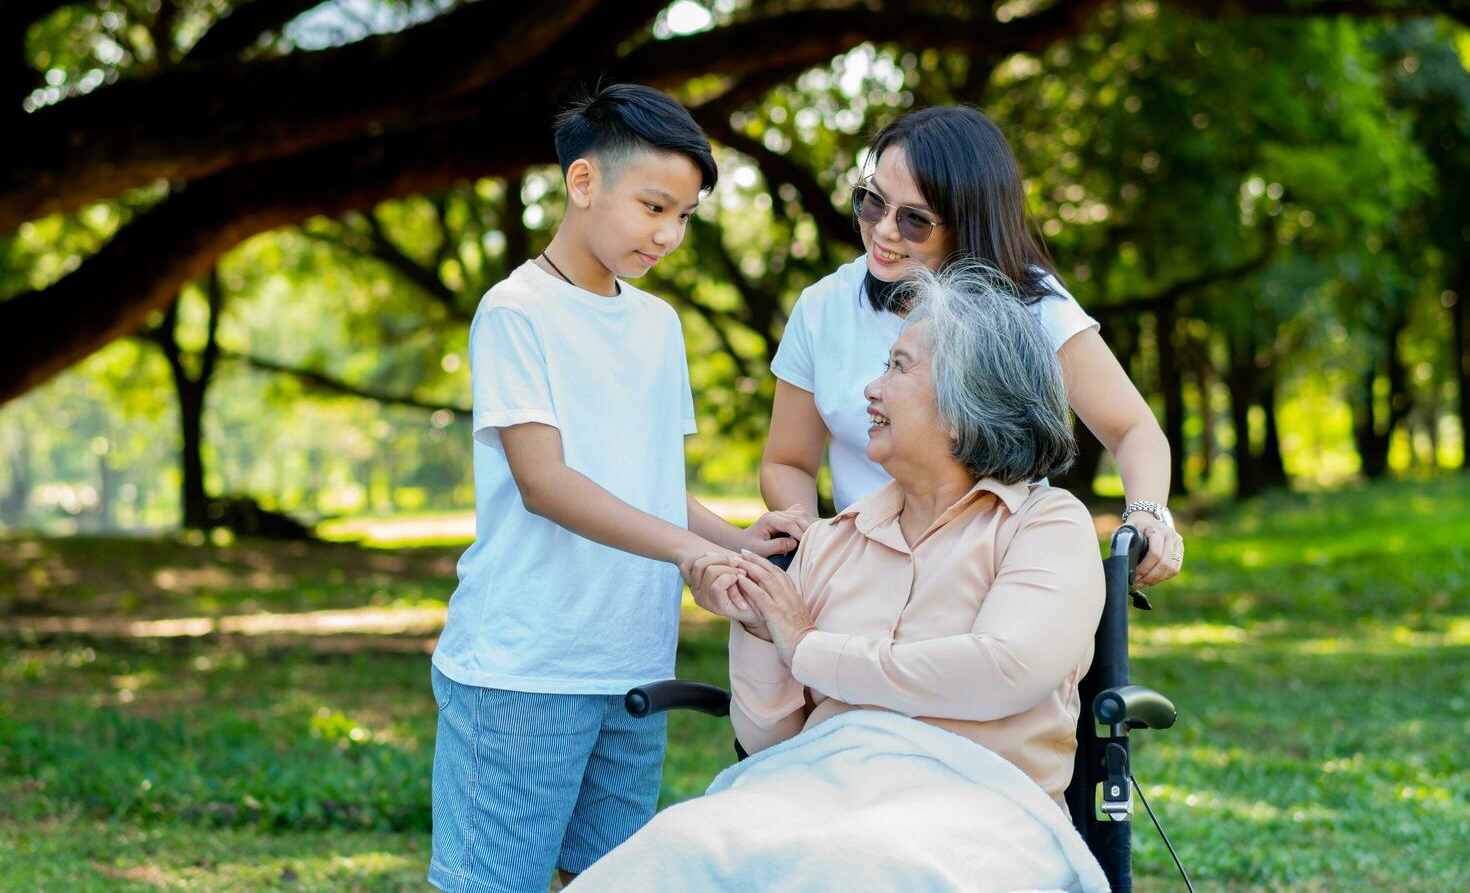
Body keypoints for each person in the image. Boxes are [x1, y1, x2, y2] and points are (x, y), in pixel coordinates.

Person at [568, 266, 1109, 890]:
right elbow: (769, 740)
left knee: (857, 867)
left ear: (968, 404)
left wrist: (808, 646)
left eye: (899, 367)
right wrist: (760, 628)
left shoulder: (1043, 525)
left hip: (978, 802)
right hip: (809, 785)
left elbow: (1004, 668)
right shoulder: (830, 540)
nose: (870, 389)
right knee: (673, 847)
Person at [428, 82, 803, 893]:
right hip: (523, 669)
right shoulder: (515, 311)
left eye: (684, 217)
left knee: (607, 881)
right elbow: (546, 483)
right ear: (584, 182)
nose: (668, 234)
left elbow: (652, 482)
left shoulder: (658, 325)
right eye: (654, 207)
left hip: (633, 666)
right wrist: (688, 553)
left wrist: (741, 542)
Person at [760, 105, 1184, 587]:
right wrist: (819, 542)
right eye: (873, 202)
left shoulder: (1032, 306)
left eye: (915, 219)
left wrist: (1146, 513)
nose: (883, 230)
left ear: (967, 220)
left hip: (1003, 569)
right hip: (864, 573)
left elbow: (1132, 429)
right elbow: (786, 461)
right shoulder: (824, 306)